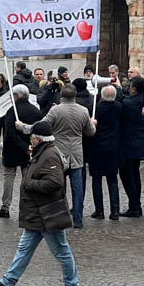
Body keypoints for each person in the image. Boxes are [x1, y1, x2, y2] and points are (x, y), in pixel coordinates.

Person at [0, 119, 82, 286]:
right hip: (38, 213)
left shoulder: (50, 155)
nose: (30, 141)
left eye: (32, 138)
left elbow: (55, 182)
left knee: (61, 250)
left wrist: (29, 184)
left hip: (47, 213)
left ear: (38, 139)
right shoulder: (43, 152)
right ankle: (7, 283)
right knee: (24, 249)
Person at [44, 84, 95, 228]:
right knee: (77, 189)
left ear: (61, 95)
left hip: (59, 153)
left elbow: (44, 126)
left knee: (59, 187)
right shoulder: (83, 111)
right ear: (75, 95)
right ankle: (78, 219)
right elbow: (90, 132)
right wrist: (93, 124)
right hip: (76, 154)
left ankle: (61, 217)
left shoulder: (55, 110)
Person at [0, 85, 42, 218]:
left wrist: (23, 146)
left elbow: (10, 132)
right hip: (29, 149)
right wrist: (28, 147)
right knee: (27, 179)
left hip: (13, 149)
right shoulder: (35, 110)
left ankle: (5, 207)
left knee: (9, 177)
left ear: (17, 96)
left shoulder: (12, 110)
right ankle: (27, 207)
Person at [89, 85, 122, 220]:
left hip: (96, 147)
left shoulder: (95, 109)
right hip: (113, 147)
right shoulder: (119, 107)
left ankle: (99, 210)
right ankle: (115, 211)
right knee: (112, 180)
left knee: (96, 180)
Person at [117, 76, 144, 217]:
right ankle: (136, 204)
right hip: (139, 143)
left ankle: (134, 206)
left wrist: (118, 90)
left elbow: (122, 103)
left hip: (128, 144)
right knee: (135, 175)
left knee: (127, 175)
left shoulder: (129, 104)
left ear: (134, 89)